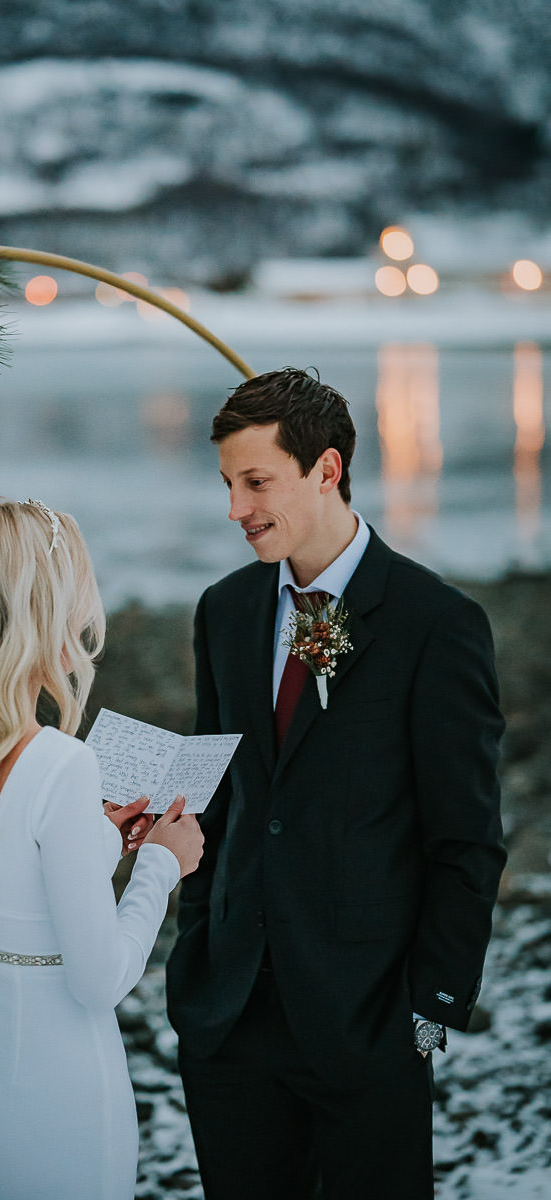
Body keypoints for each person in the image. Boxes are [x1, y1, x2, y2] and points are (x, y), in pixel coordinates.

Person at [166, 368, 506, 1200]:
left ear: (325, 470)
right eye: (228, 485)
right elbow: (218, 791)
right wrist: (196, 948)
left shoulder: (437, 625)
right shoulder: (225, 610)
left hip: (370, 1023)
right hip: (231, 1019)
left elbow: (466, 839)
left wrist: (426, 1013)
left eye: (256, 483)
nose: (236, 510)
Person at [0, 497, 203, 1200]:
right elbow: (100, 980)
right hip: (54, 1095)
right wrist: (158, 864)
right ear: (46, 603)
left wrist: (90, 850)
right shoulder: (59, 762)